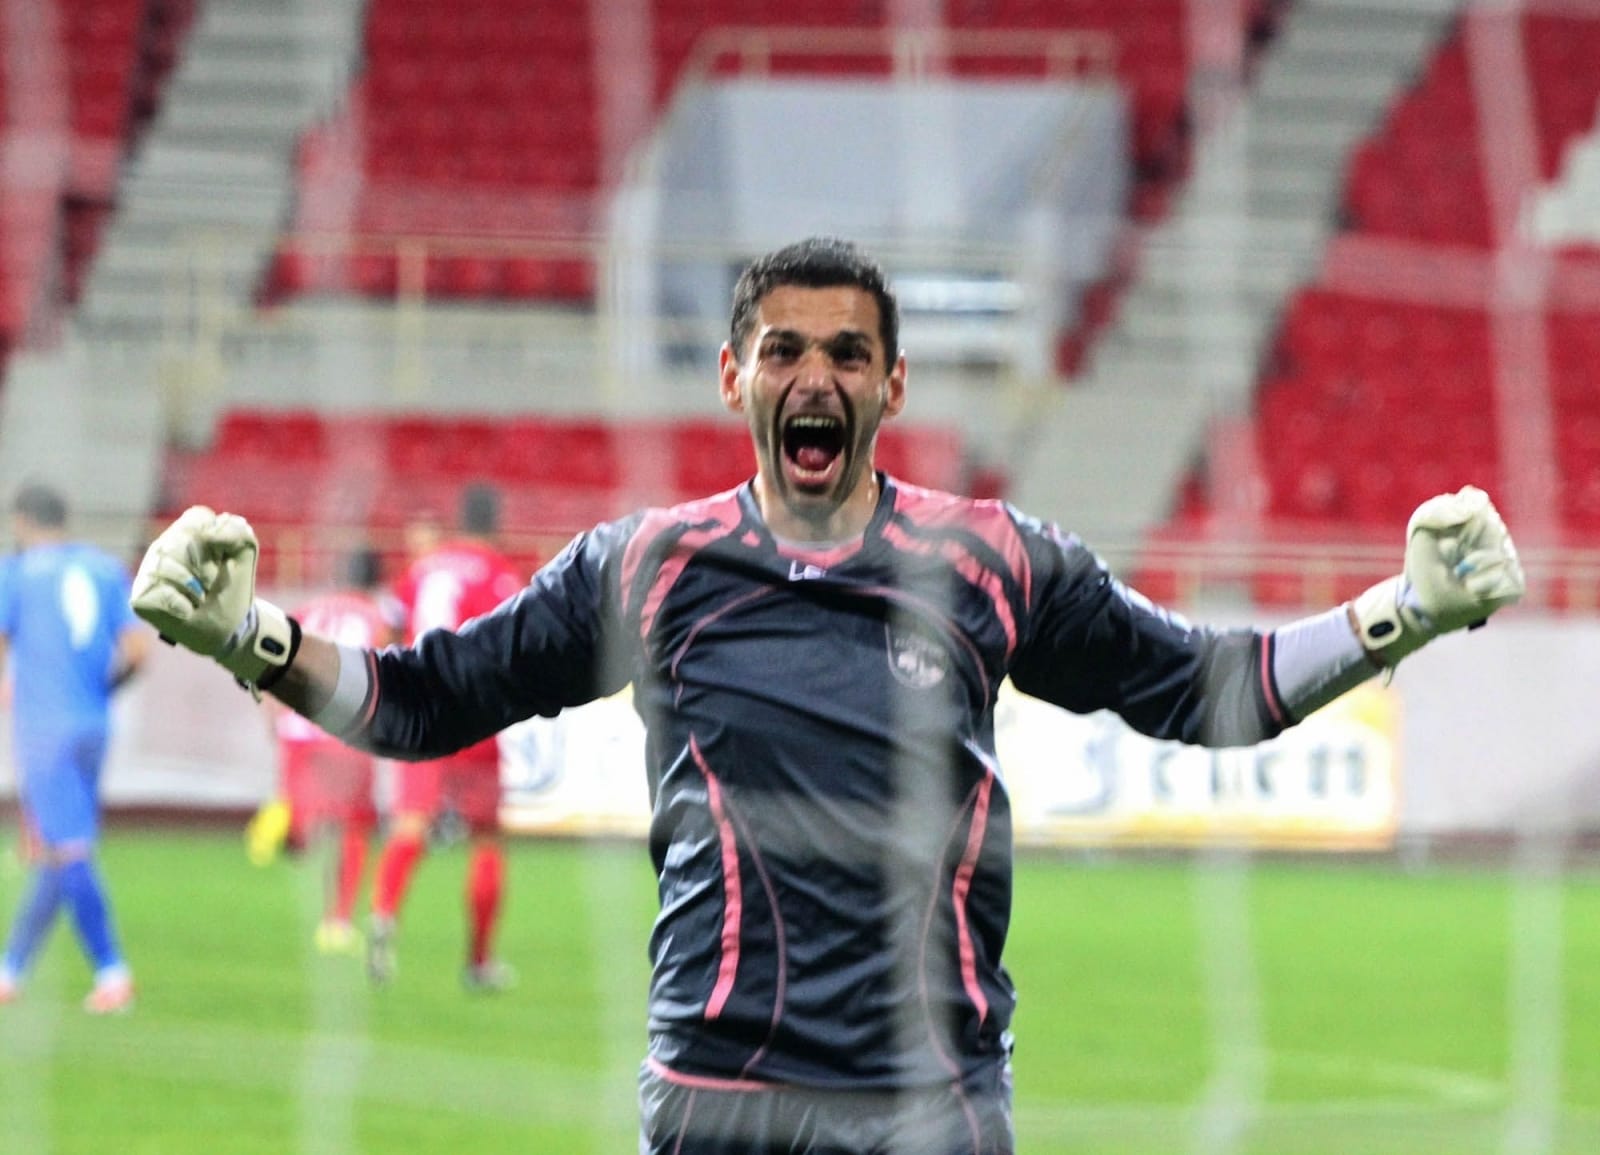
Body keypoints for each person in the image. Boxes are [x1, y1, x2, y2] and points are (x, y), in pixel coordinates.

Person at [129, 237, 1525, 1153]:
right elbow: (426, 701)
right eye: (785, 349)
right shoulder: (650, 565)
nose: (817, 376)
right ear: (736, 376)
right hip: (714, 1096)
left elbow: (1211, 691)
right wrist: (250, 634)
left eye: (848, 353)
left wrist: (1403, 609)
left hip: (936, 1102)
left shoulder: (991, 557)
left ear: (892, 382)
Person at [0, 482, 151, 1013]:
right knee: (58, 850)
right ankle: (10, 970)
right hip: (93, 725)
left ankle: (113, 971)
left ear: (22, 523)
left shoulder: (15, 574)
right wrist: (99, 691)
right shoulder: (104, 568)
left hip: (44, 730)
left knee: (68, 851)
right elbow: (137, 651)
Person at [366, 482, 525, 989]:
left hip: (420, 713)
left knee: (410, 826)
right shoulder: (498, 573)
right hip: (473, 714)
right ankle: (478, 963)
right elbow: (514, 643)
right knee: (486, 839)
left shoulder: (424, 567)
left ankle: (382, 919)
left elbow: (386, 631)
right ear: (494, 522)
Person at [251, 546, 400, 954]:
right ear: (374, 582)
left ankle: (287, 818)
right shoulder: (375, 617)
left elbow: (270, 662)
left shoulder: (307, 610)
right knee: (355, 824)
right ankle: (337, 920)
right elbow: (386, 671)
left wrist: (275, 718)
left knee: (309, 822)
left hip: (298, 727)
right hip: (343, 729)